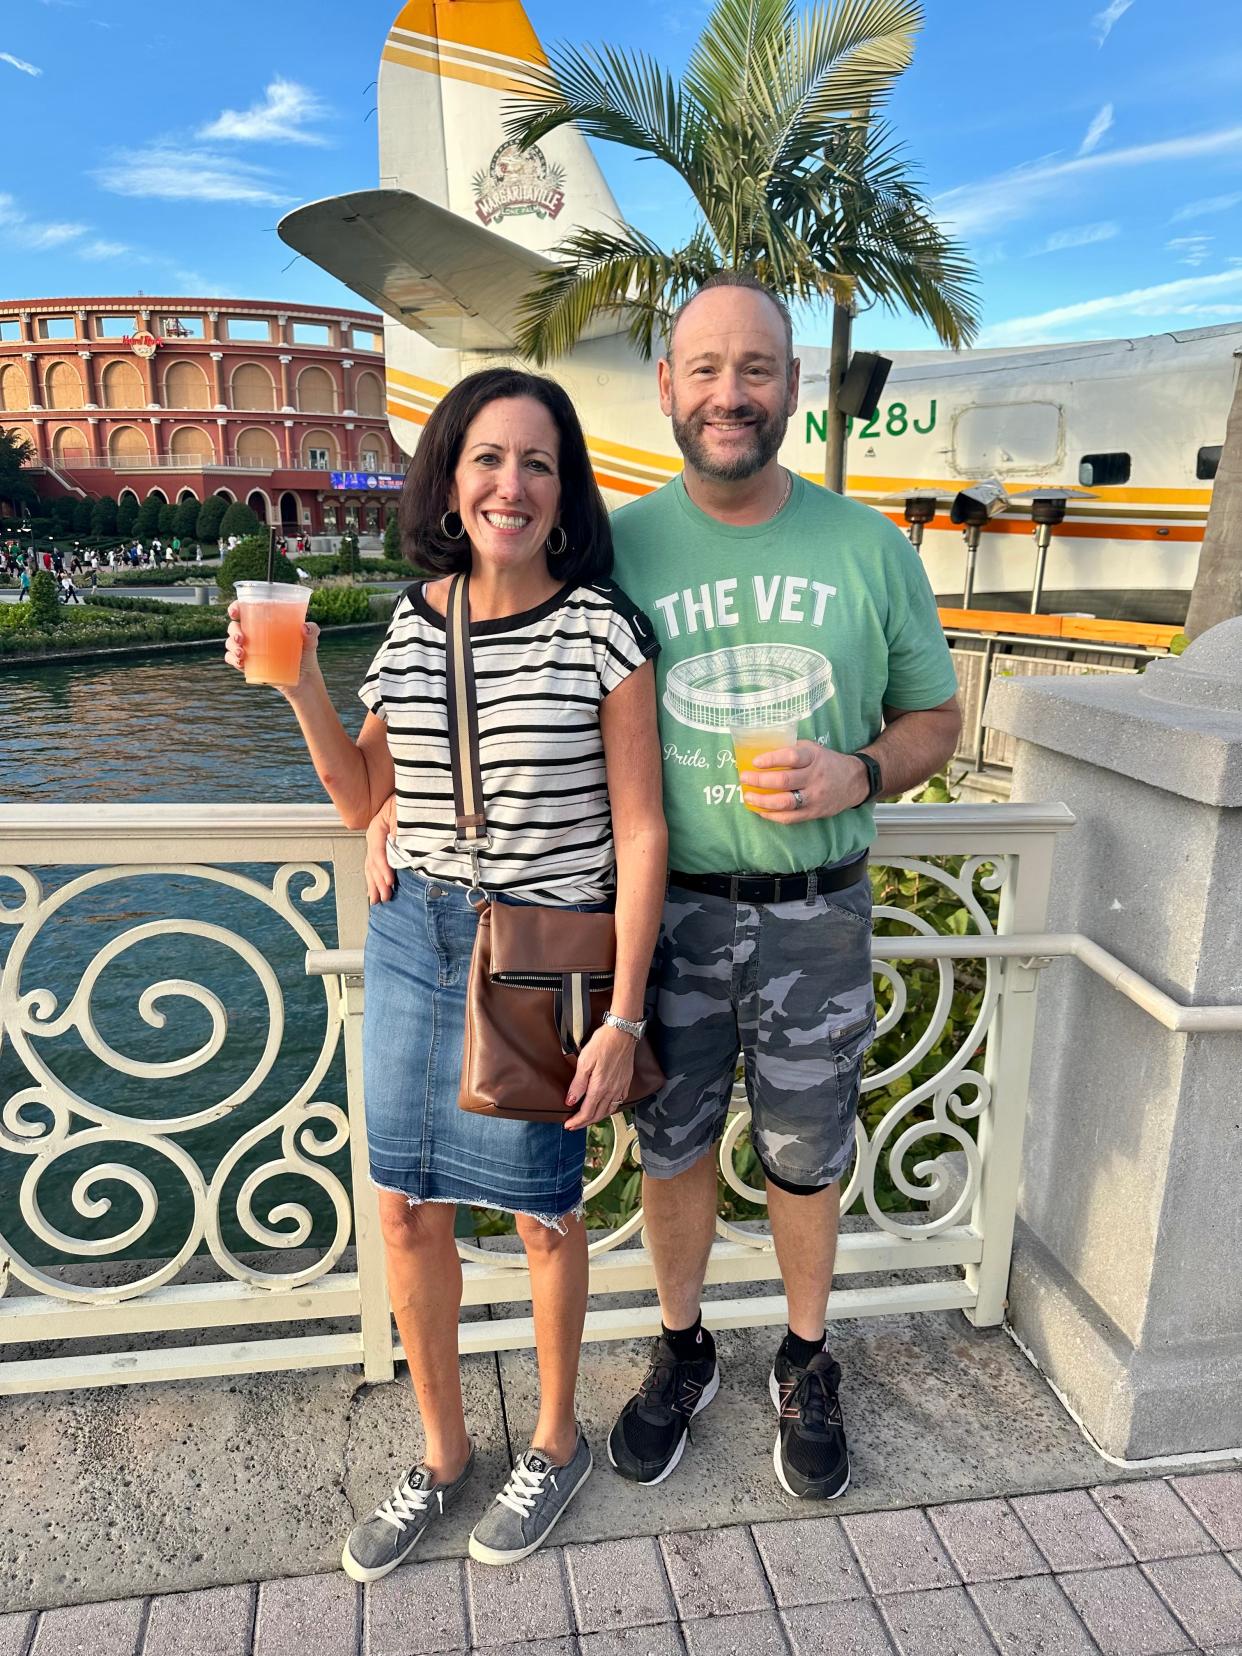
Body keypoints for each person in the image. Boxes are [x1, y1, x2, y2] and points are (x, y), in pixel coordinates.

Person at [225, 367, 666, 1576]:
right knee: (405, 1202)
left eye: (536, 462)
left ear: (564, 488)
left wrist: (624, 1014)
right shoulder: (416, 621)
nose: (510, 484)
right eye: (487, 459)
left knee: (539, 1210)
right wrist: (305, 682)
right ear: (451, 478)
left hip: (539, 952)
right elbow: (366, 794)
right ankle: (441, 1455)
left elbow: (642, 832)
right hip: (417, 934)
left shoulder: (603, 627)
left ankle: (556, 1440)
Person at [591, 273, 960, 1502]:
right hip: (669, 913)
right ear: (668, 390)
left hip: (818, 912)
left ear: (793, 388)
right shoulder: (618, 548)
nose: (730, 393)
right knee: (673, 1143)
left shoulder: (869, 548)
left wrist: (859, 766)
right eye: (706, 369)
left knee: (808, 1152)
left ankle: (805, 1359)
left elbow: (936, 721)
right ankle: (684, 1348)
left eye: (757, 369)